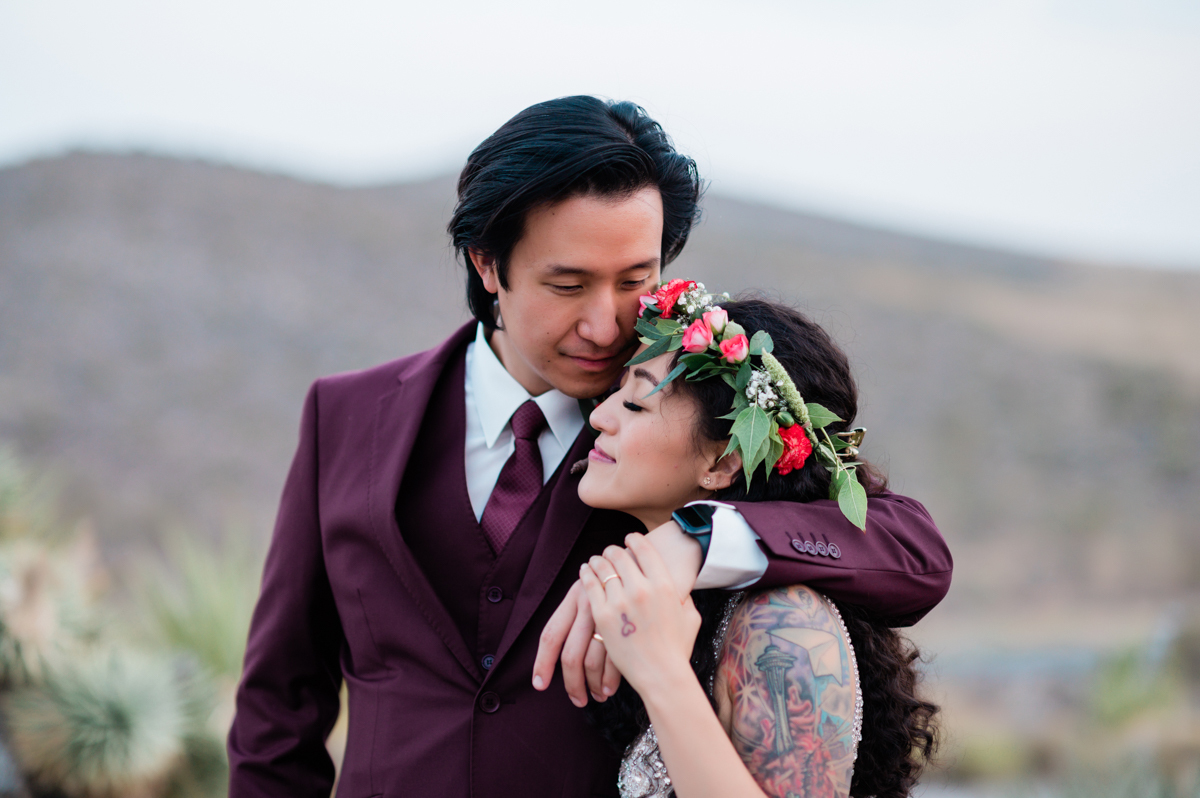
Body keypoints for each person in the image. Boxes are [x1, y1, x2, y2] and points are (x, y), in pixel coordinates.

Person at [227, 96, 951, 798]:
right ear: (487, 265)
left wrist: (696, 540)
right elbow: (279, 708)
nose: (605, 327)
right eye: (568, 284)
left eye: (635, 282)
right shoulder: (346, 415)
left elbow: (912, 552)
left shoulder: (679, 425)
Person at [576, 294, 938, 798]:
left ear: (724, 463)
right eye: (612, 394)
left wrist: (658, 668)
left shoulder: (782, 623)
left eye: (636, 403)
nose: (599, 418)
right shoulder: (677, 594)